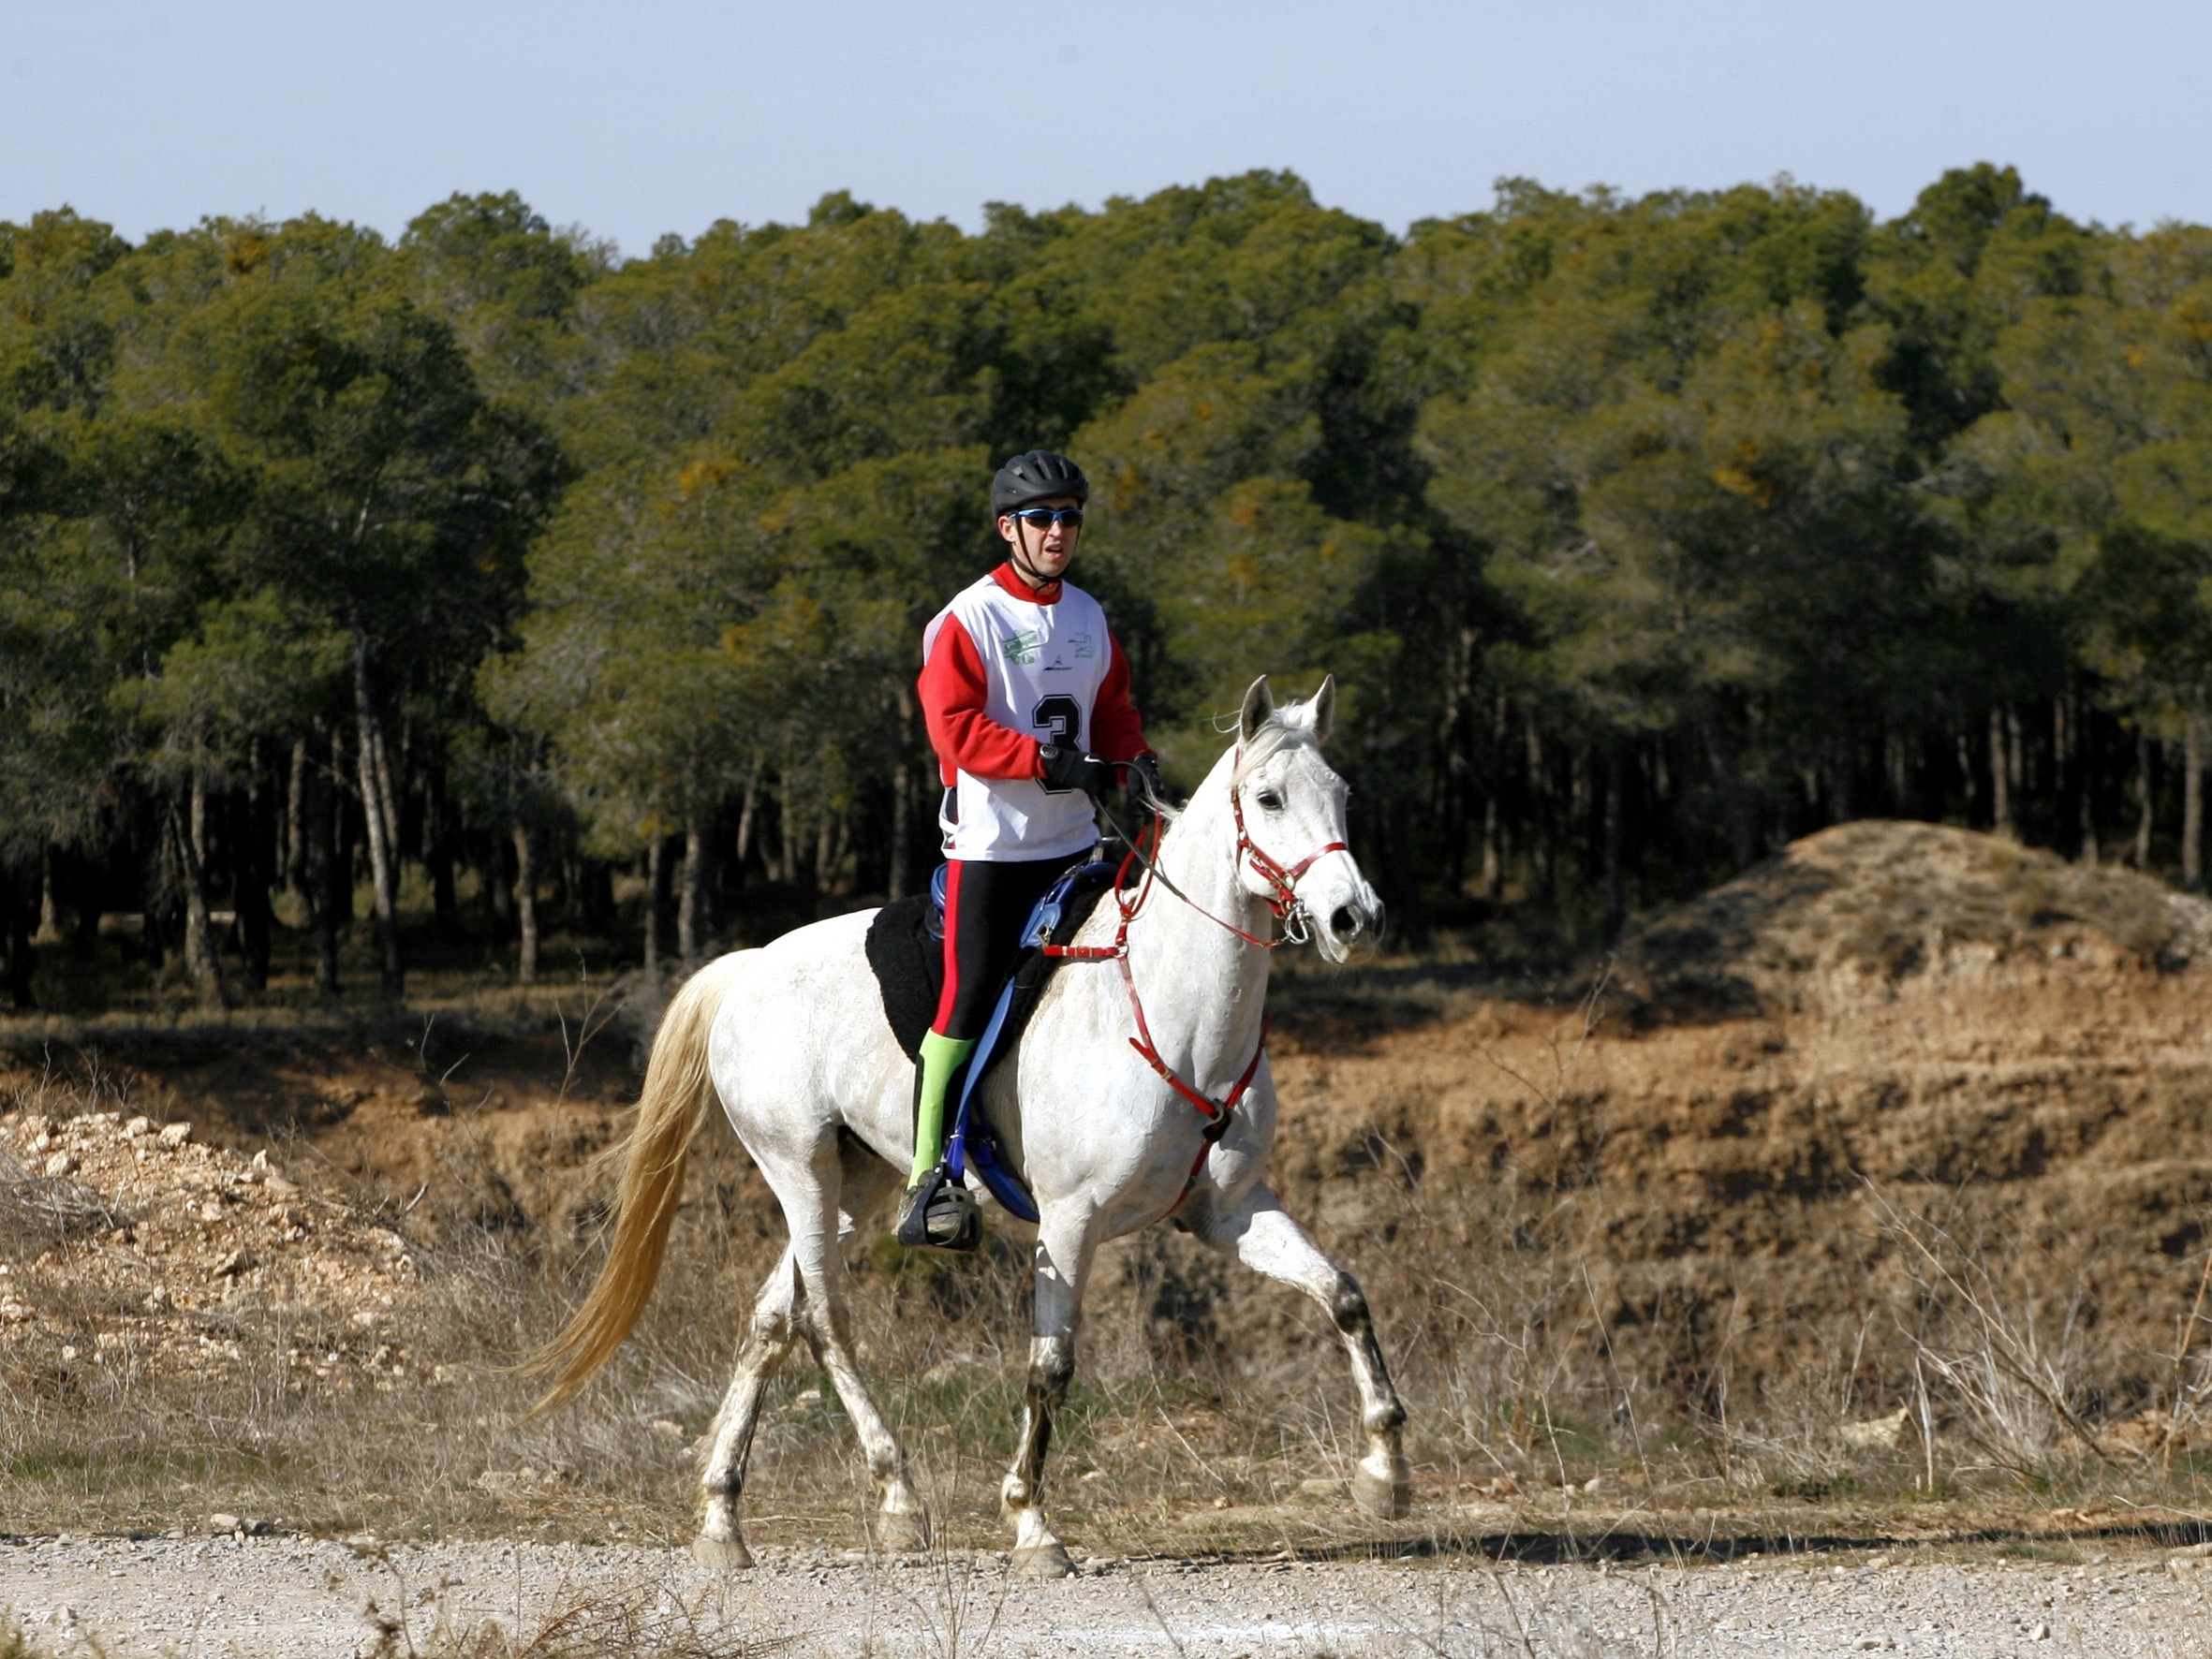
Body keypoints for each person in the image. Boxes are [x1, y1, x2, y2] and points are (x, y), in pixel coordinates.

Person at [895, 450, 1164, 1250]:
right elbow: (954, 730)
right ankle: (928, 1182)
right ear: (1007, 528)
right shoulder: (966, 619)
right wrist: (1046, 762)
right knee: (967, 998)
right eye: (1041, 518)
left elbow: (1111, 709)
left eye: (1070, 518)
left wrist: (1135, 757)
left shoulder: (1087, 616)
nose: (1058, 532)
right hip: (992, 848)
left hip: (1075, 844)